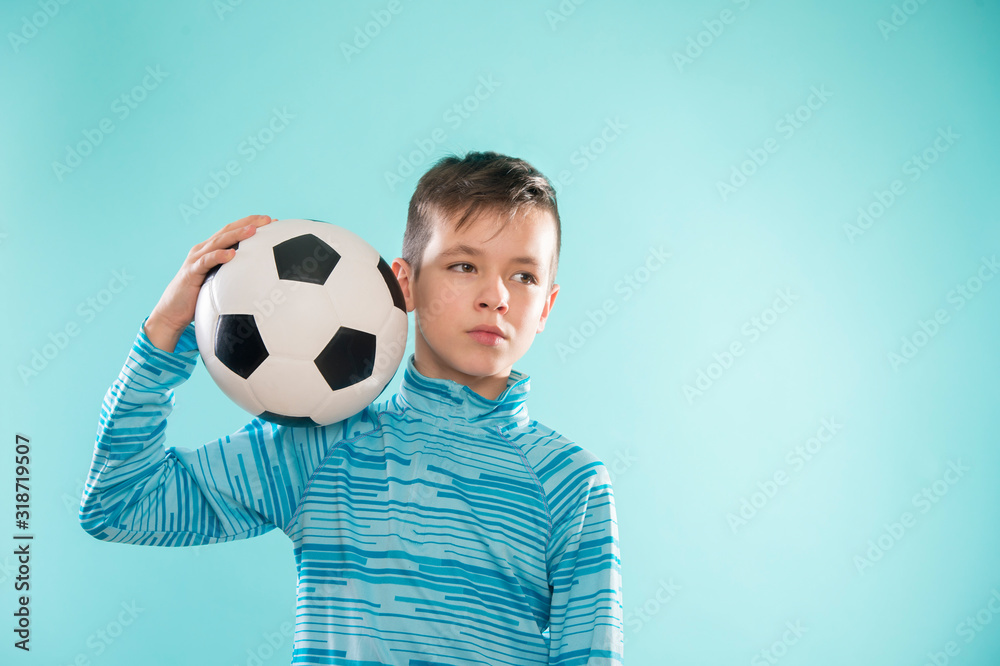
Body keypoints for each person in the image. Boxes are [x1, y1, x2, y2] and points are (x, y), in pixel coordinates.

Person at [79, 151, 624, 665]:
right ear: (403, 284)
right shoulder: (321, 446)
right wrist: (164, 335)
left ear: (547, 305)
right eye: (463, 265)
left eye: (524, 276)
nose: (496, 296)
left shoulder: (573, 483)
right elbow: (119, 505)